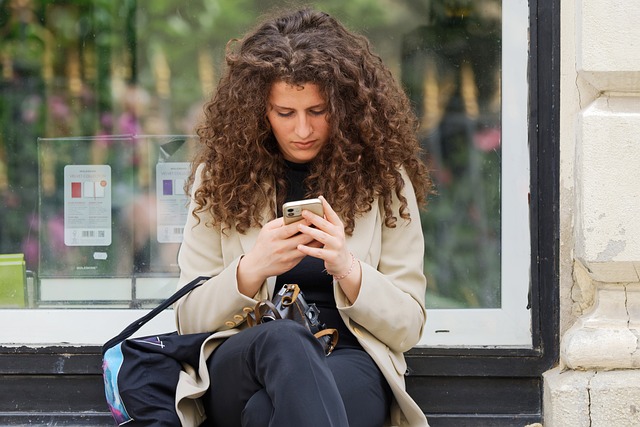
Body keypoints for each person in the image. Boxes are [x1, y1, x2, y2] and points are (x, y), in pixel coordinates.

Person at [174, 8, 432, 427]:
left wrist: (348, 268)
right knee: (283, 339)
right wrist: (251, 269)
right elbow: (189, 319)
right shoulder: (222, 176)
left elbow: (408, 326)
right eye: (285, 113)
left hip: (348, 357)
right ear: (259, 111)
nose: (302, 130)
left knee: (265, 414)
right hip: (245, 358)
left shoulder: (384, 179)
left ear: (344, 107)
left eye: (317, 111)